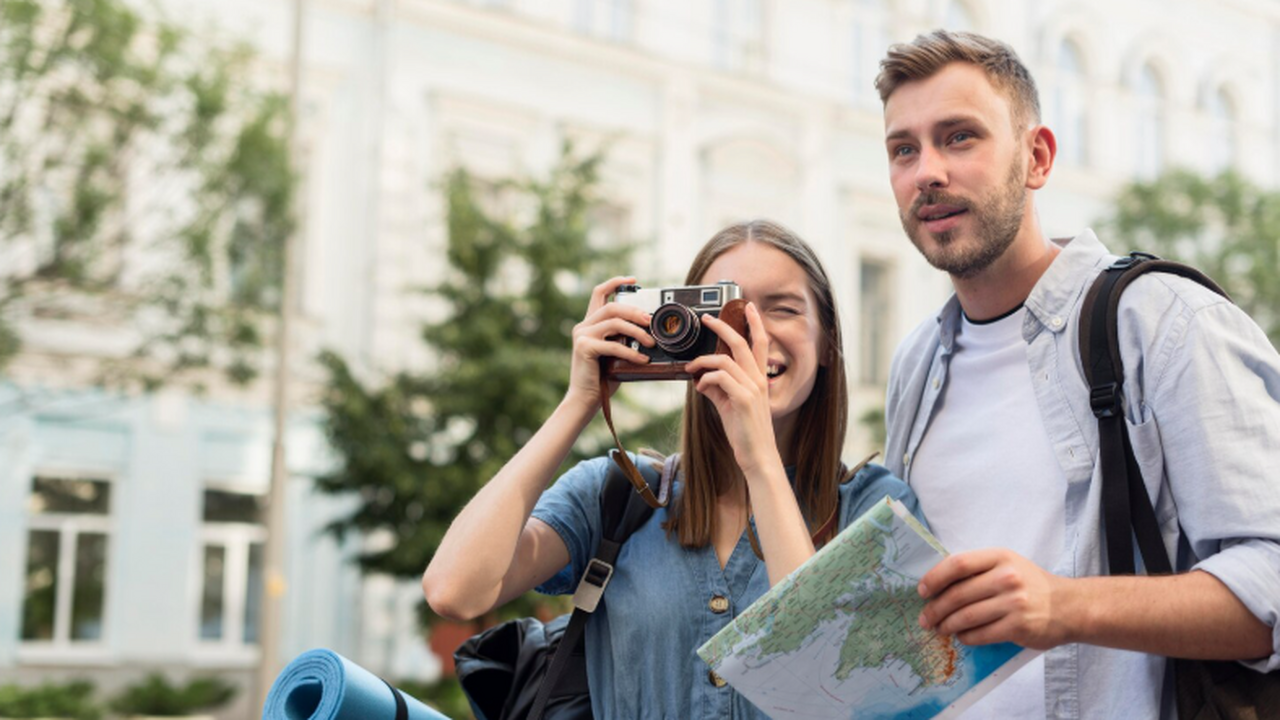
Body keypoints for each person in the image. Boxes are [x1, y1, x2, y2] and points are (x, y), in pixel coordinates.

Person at [875, 29, 1280, 719]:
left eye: (960, 137)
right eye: (904, 149)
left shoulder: (1165, 322)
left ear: (1036, 158)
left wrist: (1064, 604)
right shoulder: (917, 361)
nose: (927, 172)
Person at [422, 219, 921, 718]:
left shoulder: (876, 509)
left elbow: (830, 693)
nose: (752, 333)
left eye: (783, 309)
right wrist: (579, 401)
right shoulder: (616, 496)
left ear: (828, 341)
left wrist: (760, 460)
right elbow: (455, 591)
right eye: (726, 308)